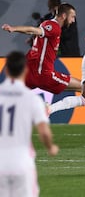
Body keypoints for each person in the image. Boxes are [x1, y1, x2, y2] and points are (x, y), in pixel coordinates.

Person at [2, 3, 85, 119]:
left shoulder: (47, 25)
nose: (73, 20)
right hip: (43, 75)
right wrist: (14, 29)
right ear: (64, 16)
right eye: (72, 17)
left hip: (28, 73)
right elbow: (34, 30)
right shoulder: (53, 26)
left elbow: (38, 37)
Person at [0, 51, 59, 197]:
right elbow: (44, 132)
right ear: (26, 70)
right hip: (22, 161)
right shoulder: (32, 99)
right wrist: (50, 147)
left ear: (6, 70)